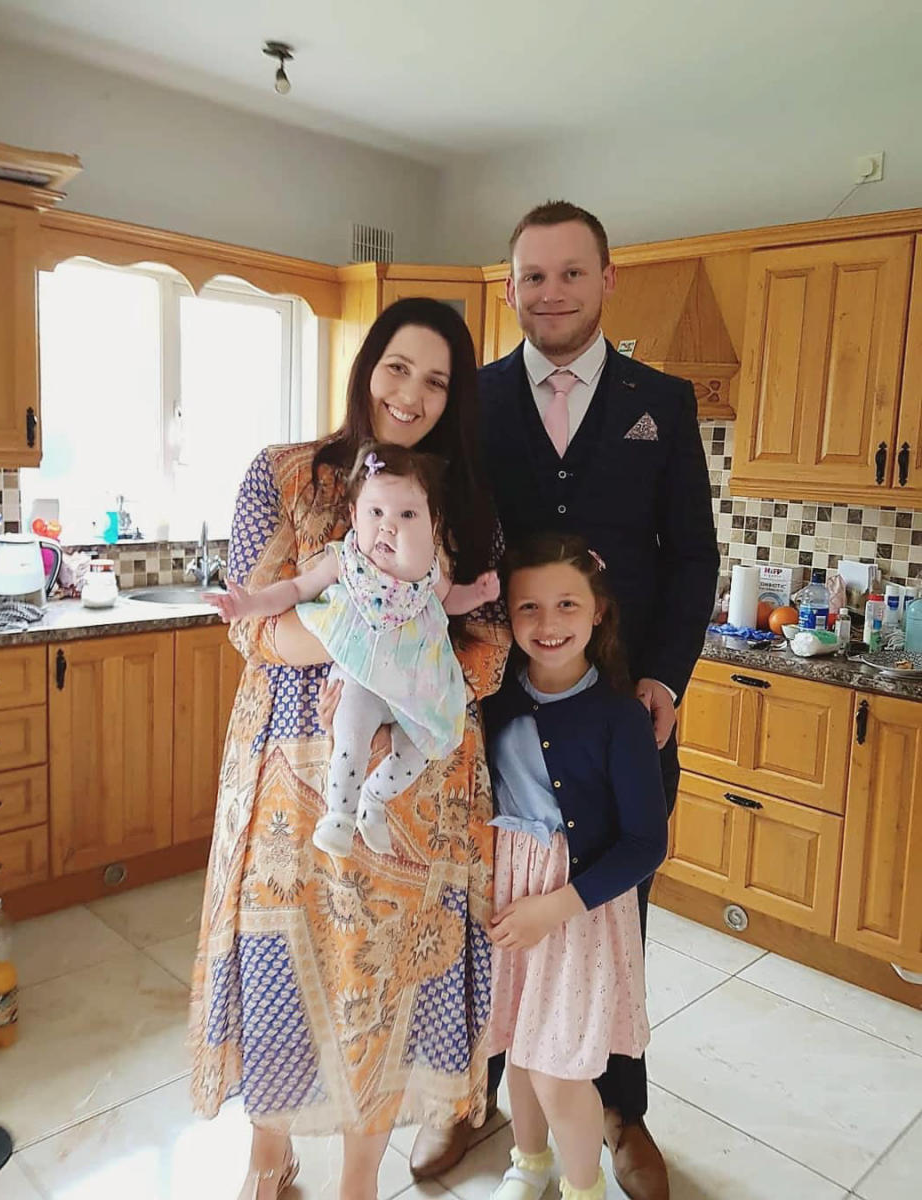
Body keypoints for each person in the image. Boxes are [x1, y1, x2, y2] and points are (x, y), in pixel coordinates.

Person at [409, 202, 719, 1200]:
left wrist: (664, 676)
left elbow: (694, 556)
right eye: (532, 276)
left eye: (569, 274)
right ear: (510, 288)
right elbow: (440, 541)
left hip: (620, 708)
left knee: (609, 921)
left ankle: (618, 1111)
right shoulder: (474, 400)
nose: (550, 293)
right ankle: (476, 1096)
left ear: (606, 280)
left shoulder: (660, 403)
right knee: (482, 913)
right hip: (493, 714)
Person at [189, 297, 509, 1200]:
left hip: (417, 795)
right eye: (398, 367)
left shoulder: (463, 502)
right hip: (289, 787)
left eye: (437, 380)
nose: (412, 393)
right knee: (283, 967)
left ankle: (359, 1182)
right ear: (367, 365)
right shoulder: (284, 475)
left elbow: (487, 647)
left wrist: (426, 663)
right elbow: (257, 629)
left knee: (385, 991)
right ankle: (269, 1154)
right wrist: (369, 622)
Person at [206, 441, 499, 858]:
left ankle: (374, 801)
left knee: (426, 744)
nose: (388, 527)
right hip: (362, 677)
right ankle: (339, 815)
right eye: (375, 513)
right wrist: (248, 603)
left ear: (432, 523)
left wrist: (476, 595)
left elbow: (448, 604)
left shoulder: (430, 569)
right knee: (351, 729)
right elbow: (293, 589)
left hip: (415, 685)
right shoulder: (344, 562)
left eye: (407, 515)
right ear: (353, 516)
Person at [486, 533, 667, 1200]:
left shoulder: (621, 718)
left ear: (599, 612)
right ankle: (529, 1164)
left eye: (566, 604)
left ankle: (583, 1187)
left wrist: (553, 908)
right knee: (517, 1047)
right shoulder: (495, 700)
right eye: (527, 607)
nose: (547, 623)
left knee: (561, 1069)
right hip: (507, 900)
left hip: (575, 916)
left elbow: (647, 844)